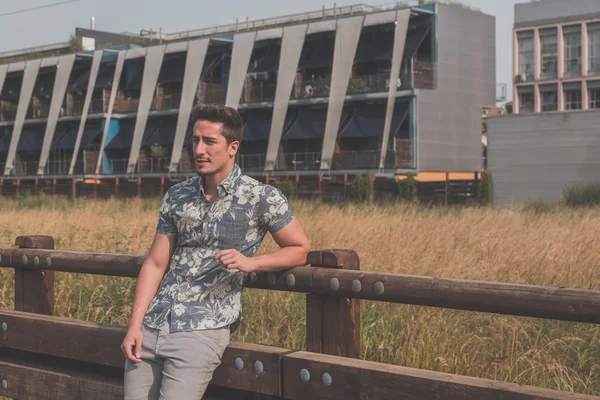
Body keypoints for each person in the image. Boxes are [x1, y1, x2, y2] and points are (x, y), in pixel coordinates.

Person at [122, 104, 311, 400]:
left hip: (201, 330)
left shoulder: (261, 197)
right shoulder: (177, 195)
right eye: (195, 140)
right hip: (152, 325)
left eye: (209, 141)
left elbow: (300, 249)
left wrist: (251, 262)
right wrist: (134, 325)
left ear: (232, 147)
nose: (199, 149)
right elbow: (156, 263)